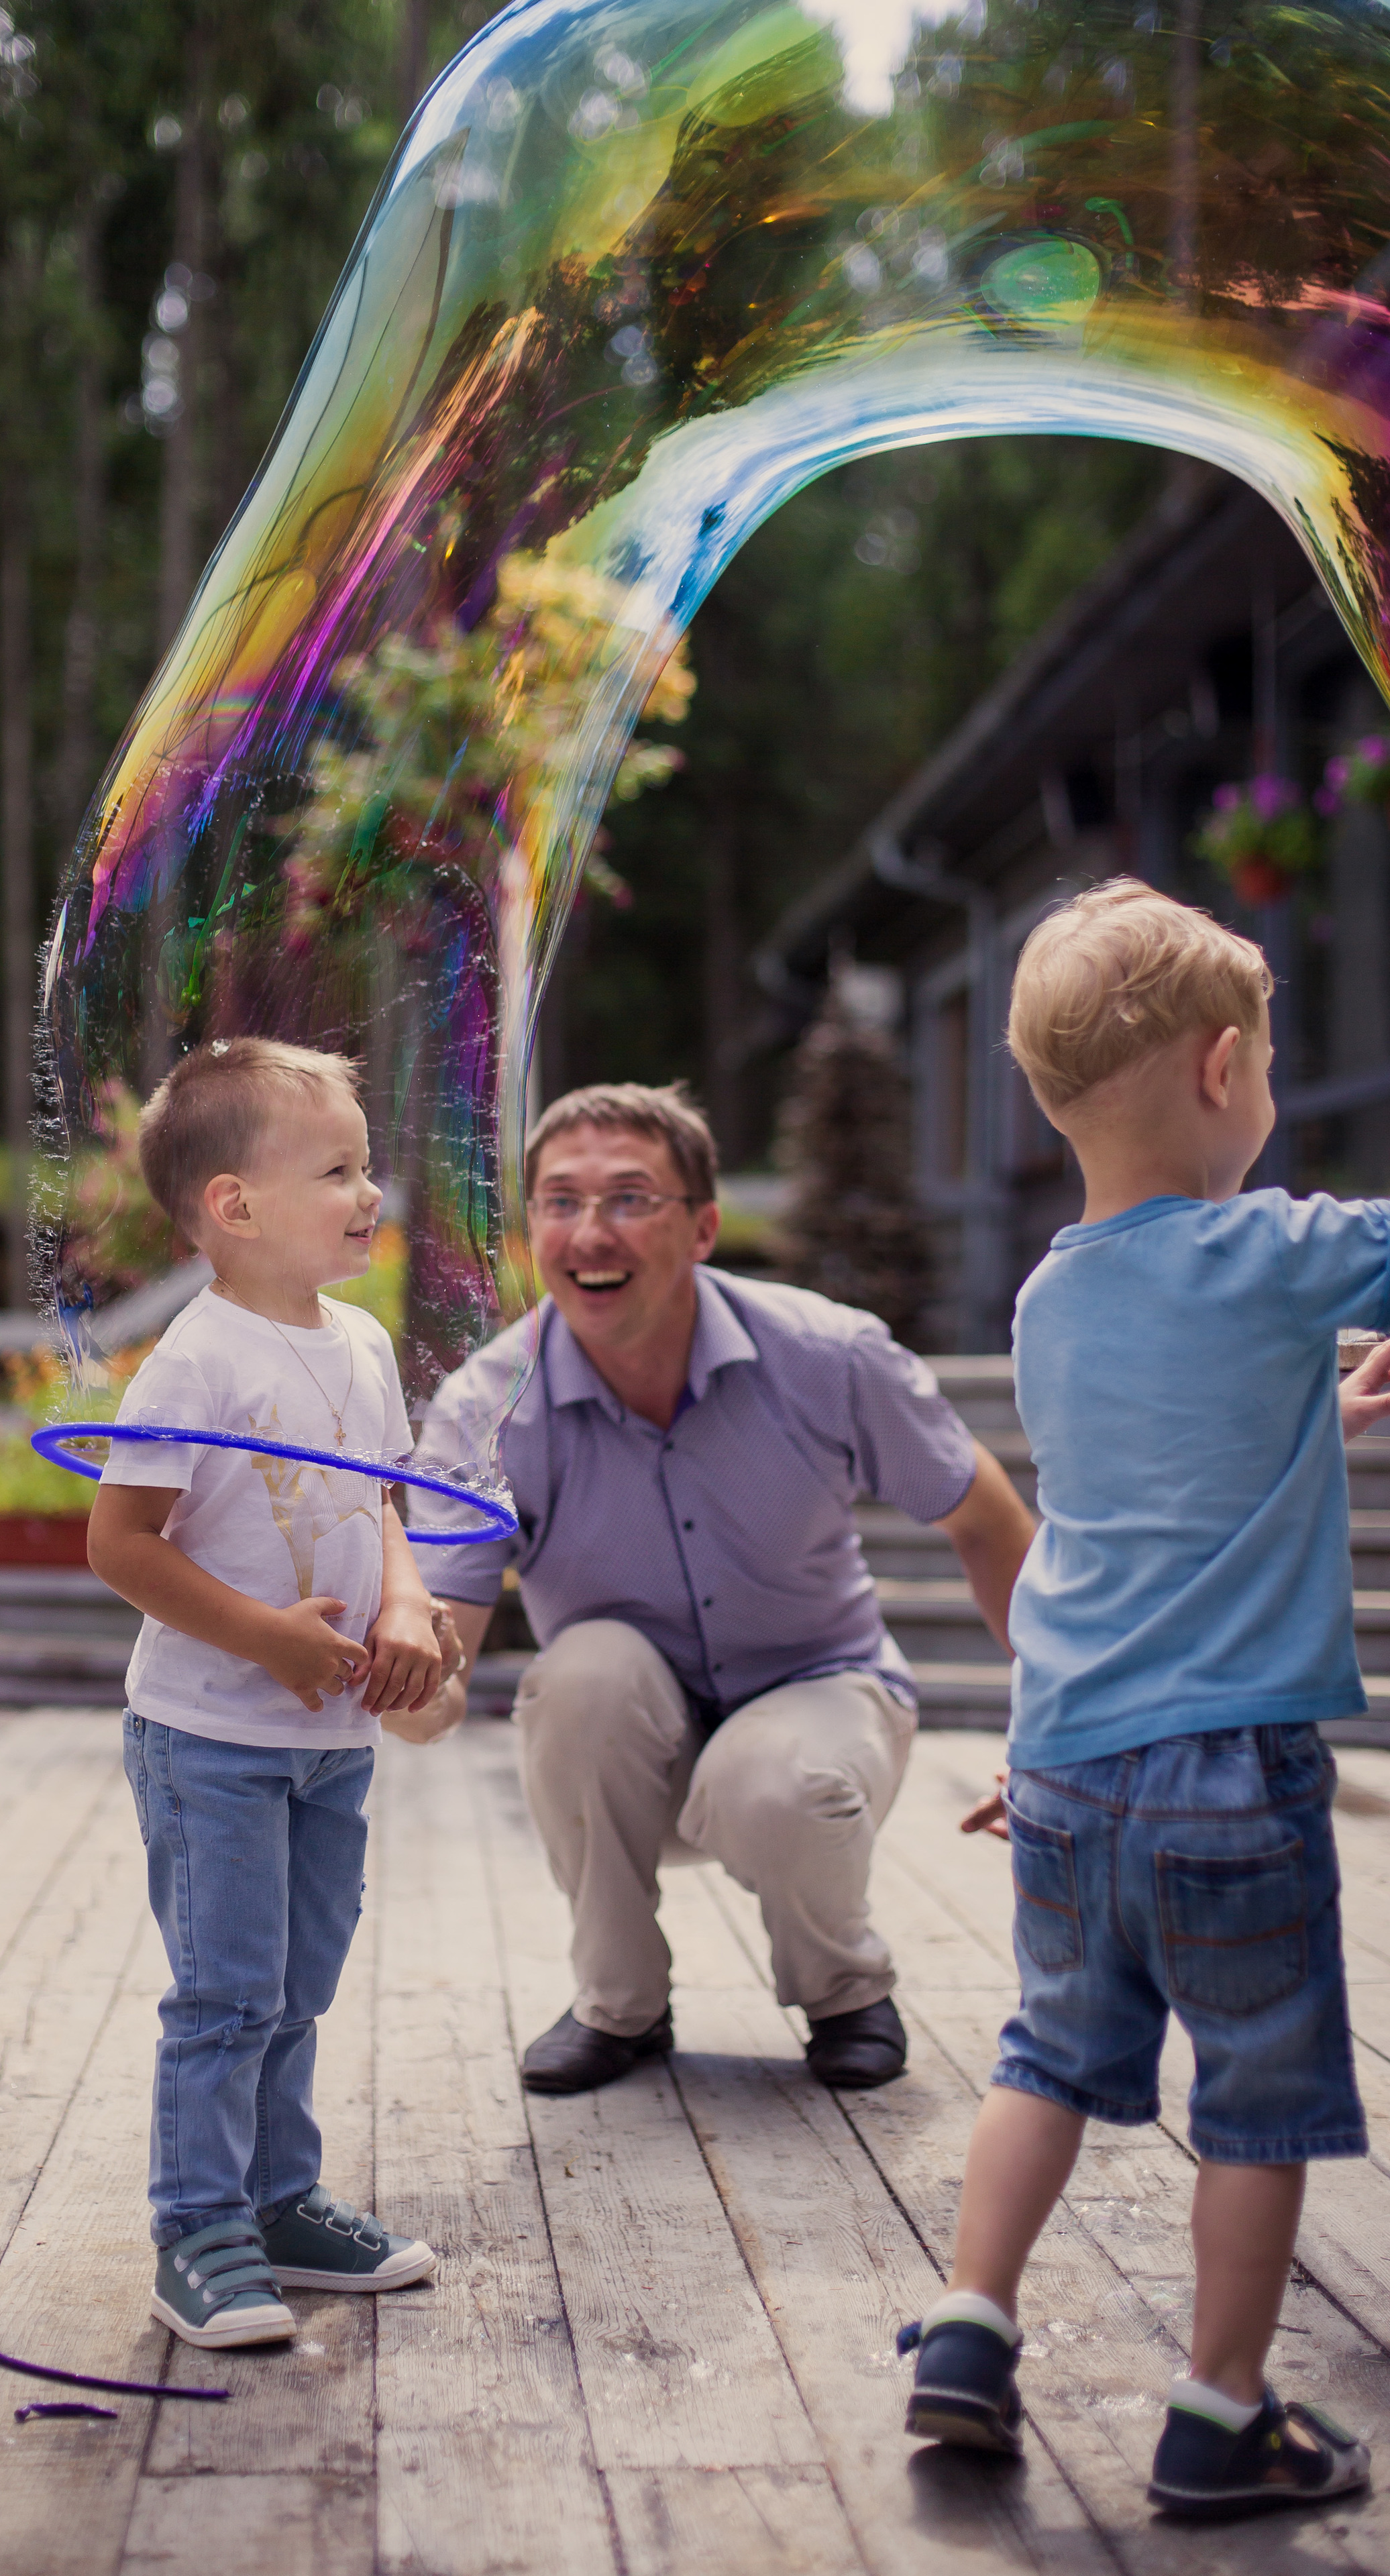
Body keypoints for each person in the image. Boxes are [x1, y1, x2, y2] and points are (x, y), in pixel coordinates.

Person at [900, 881, 1375, 2520]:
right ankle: (1219, 2410)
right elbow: (1257, 1295)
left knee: (1045, 2054)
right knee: (1257, 2091)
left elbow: (1166, 1470)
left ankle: (965, 2330)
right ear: (1222, 1066)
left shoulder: (1050, 1298)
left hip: (1066, 1761)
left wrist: (1315, 1403)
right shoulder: (1281, 1248)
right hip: (1230, 1775)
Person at [410, 1080, 1035, 2095]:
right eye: (560, 1202)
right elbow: (444, 1662)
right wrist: (374, 1678)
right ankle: (620, 2005)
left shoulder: (829, 1356)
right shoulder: (485, 1408)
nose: (589, 1231)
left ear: (702, 1228)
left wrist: (1063, 1715)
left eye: (628, 1198)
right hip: (628, 1750)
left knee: (773, 1778)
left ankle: (846, 1992)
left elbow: (987, 1518)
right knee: (580, 1675)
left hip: (820, 1697)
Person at [87, 1036, 458, 2350]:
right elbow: (120, 1546)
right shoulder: (193, 1364)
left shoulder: (358, 1344)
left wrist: (404, 1604)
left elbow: (387, 1508)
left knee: (298, 1985)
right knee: (225, 1993)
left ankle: (278, 2199)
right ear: (233, 1206)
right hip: (213, 1744)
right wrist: (266, 1639)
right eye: (340, 1170)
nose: (372, 1195)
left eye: (368, 1168)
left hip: (331, 1741)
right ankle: (195, 2230)